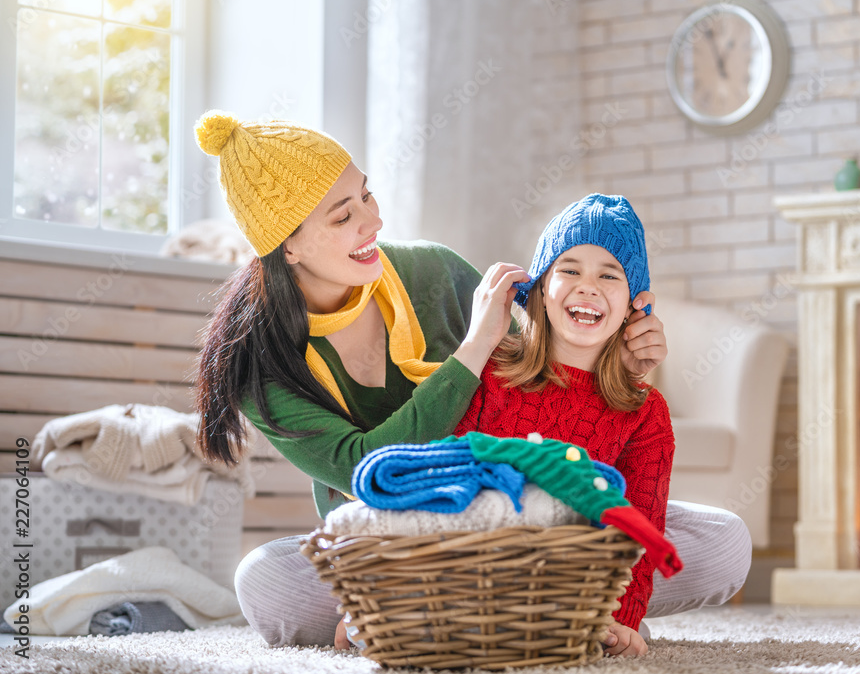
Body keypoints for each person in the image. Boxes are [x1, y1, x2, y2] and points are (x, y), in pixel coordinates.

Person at [192, 111, 750, 651]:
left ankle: (521, 612)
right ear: (286, 246)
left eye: (367, 195)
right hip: (404, 540)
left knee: (725, 541)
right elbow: (366, 470)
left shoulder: (431, 270)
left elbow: (546, 347)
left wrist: (617, 357)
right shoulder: (261, 367)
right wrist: (473, 347)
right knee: (265, 584)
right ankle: (538, 613)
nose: (373, 222)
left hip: (547, 522)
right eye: (343, 217)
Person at [453, 193, 670, 657]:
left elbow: (641, 525)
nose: (588, 287)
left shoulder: (646, 412)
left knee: (723, 540)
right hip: (477, 562)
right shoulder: (489, 374)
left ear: (636, 304)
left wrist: (622, 618)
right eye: (569, 269)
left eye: (609, 275)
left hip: (574, 572)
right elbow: (446, 479)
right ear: (540, 289)